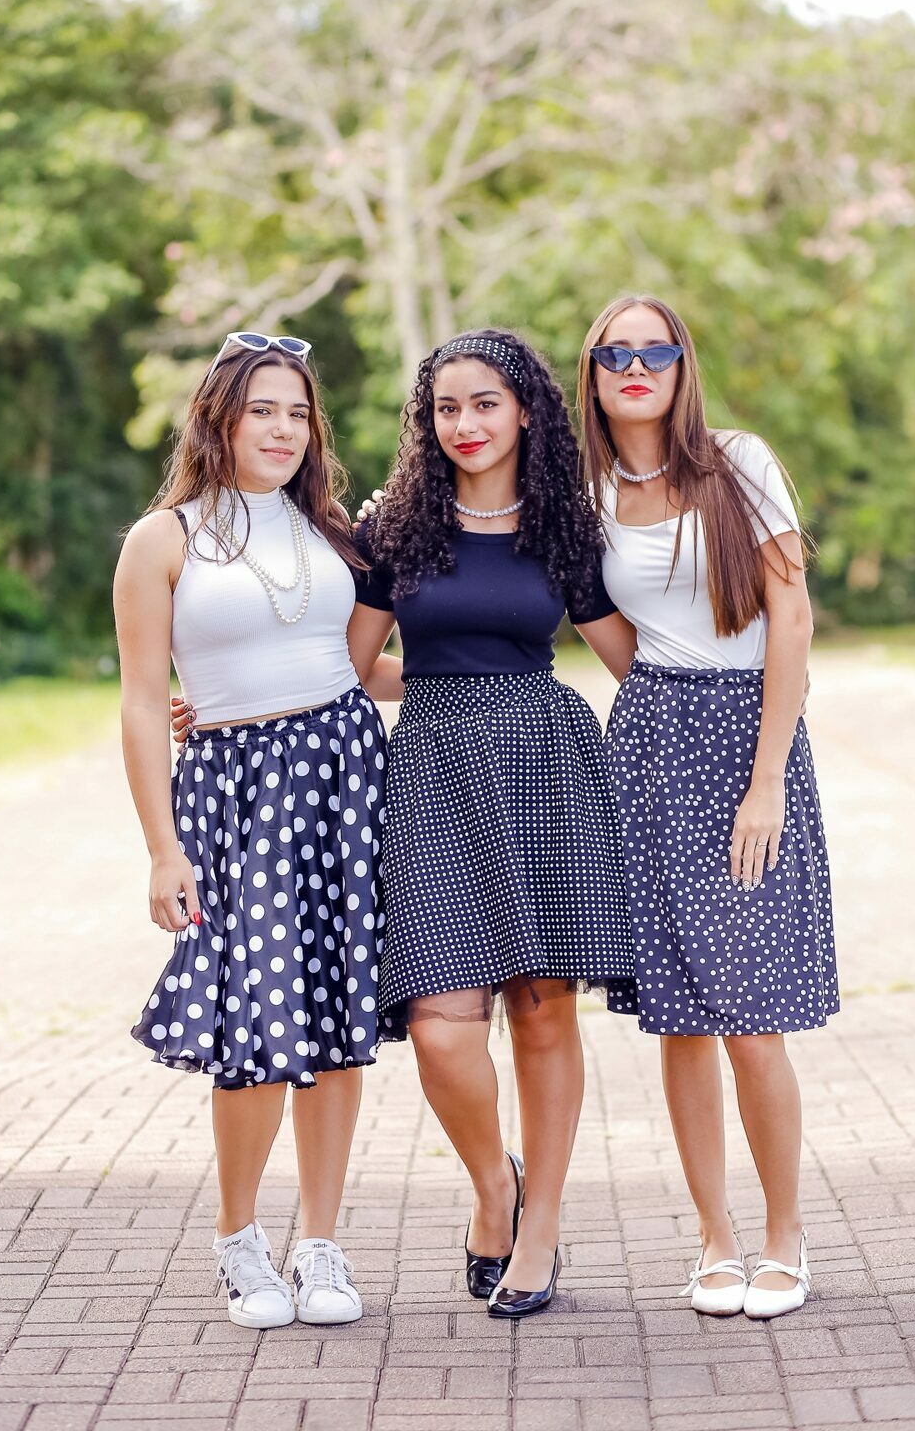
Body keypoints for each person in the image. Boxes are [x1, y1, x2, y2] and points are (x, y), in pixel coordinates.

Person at [114, 332, 401, 1332]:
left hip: (344, 776)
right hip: (235, 793)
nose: (282, 430)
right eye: (261, 411)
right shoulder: (164, 540)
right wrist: (162, 846)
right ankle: (239, 1240)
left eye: (297, 413)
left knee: (336, 1018)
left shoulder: (333, 532)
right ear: (219, 420)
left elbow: (359, 666)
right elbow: (143, 701)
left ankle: (319, 1242)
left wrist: (477, 668)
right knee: (257, 1021)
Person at [350, 328, 640, 1319]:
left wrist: (752, 695)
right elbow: (351, 668)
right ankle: (493, 1187)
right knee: (440, 1026)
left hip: (543, 763)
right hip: (432, 768)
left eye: (483, 403)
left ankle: (539, 1230)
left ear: (524, 411)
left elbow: (630, 661)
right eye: (446, 407)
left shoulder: (565, 526)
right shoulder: (393, 526)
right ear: (425, 420)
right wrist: (221, 702)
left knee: (543, 1008)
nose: (464, 423)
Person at [578, 294, 839, 1320]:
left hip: (748, 743)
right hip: (650, 747)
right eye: (614, 354)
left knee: (749, 1014)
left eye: (655, 350)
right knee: (679, 1019)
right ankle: (714, 1239)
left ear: (682, 364)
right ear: (592, 374)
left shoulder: (739, 461)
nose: (635, 367)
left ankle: (783, 1235)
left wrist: (764, 777)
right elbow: (608, 634)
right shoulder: (588, 492)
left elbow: (790, 617)